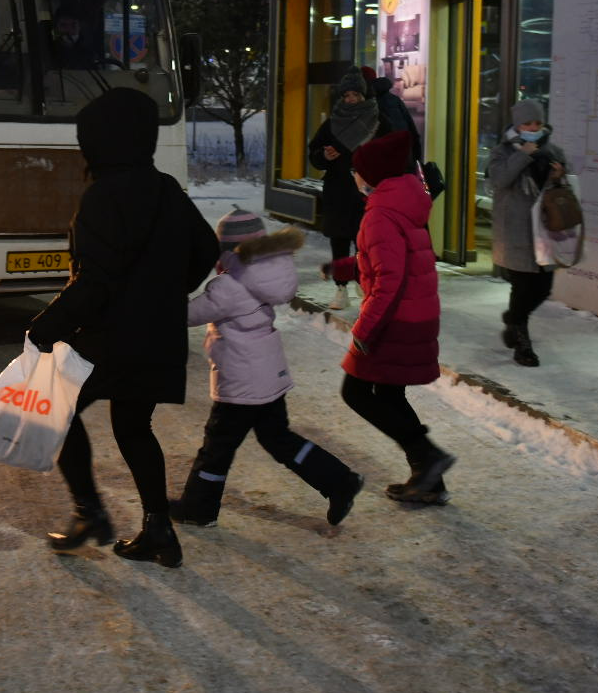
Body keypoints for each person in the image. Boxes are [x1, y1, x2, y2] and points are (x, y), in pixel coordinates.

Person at [26, 88, 218, 568]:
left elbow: (96, 282)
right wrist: (166, 293)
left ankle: (90, 512)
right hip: (157, 335)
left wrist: (46, 326)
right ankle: (159, 531)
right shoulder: (166, 188)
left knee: (56, 408)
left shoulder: (101, 197)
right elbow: (206, 251)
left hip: (110, 337)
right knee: (134, 427)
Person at [171, 209, 365, 528]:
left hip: (241, 383)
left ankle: (198, 507)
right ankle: (339, 481)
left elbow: (184, 315)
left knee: (216, 447)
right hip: (268, 377)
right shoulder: (264, 276)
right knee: (278, 439)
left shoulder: (228, 287)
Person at [325, 131, 455, 505]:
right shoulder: (405, 201)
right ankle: (429, 476)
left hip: (394, 320)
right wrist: (342, 267)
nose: (353, 176)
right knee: (387, 394)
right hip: (416, 315)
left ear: (371, 176)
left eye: (356, 171)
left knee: (356, 392)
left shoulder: (380, 214)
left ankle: (429, 458)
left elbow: (389, 280)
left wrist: (365, 330)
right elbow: (390, 260)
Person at [486, 98, 569, 368]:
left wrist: (559, 177)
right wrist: (524, 154)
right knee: (522, 287)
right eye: (527, 123)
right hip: (516, 231)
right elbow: (500, 180)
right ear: (517, 125)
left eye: (537, 123)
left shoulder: (553, 151)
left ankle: (512, 319)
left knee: (544, 287)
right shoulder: (502, 151)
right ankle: (523, 345)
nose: (533, 127)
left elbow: (563, 188)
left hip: (544, 230)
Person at [307, 66, 380, 310]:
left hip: (366, 193)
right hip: (338, 191)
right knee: (339, 242)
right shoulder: (331, 123)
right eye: (346, 95)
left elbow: (390, 152)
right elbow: (314, 154)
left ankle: (363, 282)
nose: (350, 100)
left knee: (365, 244)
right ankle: (341, 289)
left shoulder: (377, 121)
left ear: (364, 96)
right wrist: (324, 156)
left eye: (355, 95)